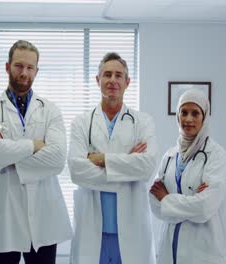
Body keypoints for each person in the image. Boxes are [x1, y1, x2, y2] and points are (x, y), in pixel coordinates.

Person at [0, 40, 72, 264]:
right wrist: (34, 145)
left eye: (30, 68)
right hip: (4, 218)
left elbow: (57, 159)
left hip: (43, 218)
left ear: (37, 71)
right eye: (19, 66)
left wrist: (7, 155)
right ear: (7, 67)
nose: (24, 72)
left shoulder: (50, 110)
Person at [68, 52, 158, 264]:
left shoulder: (143, 122)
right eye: (107, 74)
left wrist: (101, 159)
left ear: (127, 82)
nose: (112, 80)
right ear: (97, 80)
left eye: (118, 75)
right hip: (92, 230)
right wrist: (126, 164)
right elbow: (76, 171)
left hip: (131, 228)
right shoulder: (81, 123)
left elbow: (146, 168)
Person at [149, 89, 226, 264]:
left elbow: (205, 207)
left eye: (195, 113)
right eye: (183, 112)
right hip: (170, 249)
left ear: (204, 117)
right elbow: (154, 203)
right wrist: (190, 203)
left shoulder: (215, 155)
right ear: (177, 116)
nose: (189, 119)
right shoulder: (169, 156)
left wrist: (167, 199)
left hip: (202, 250)